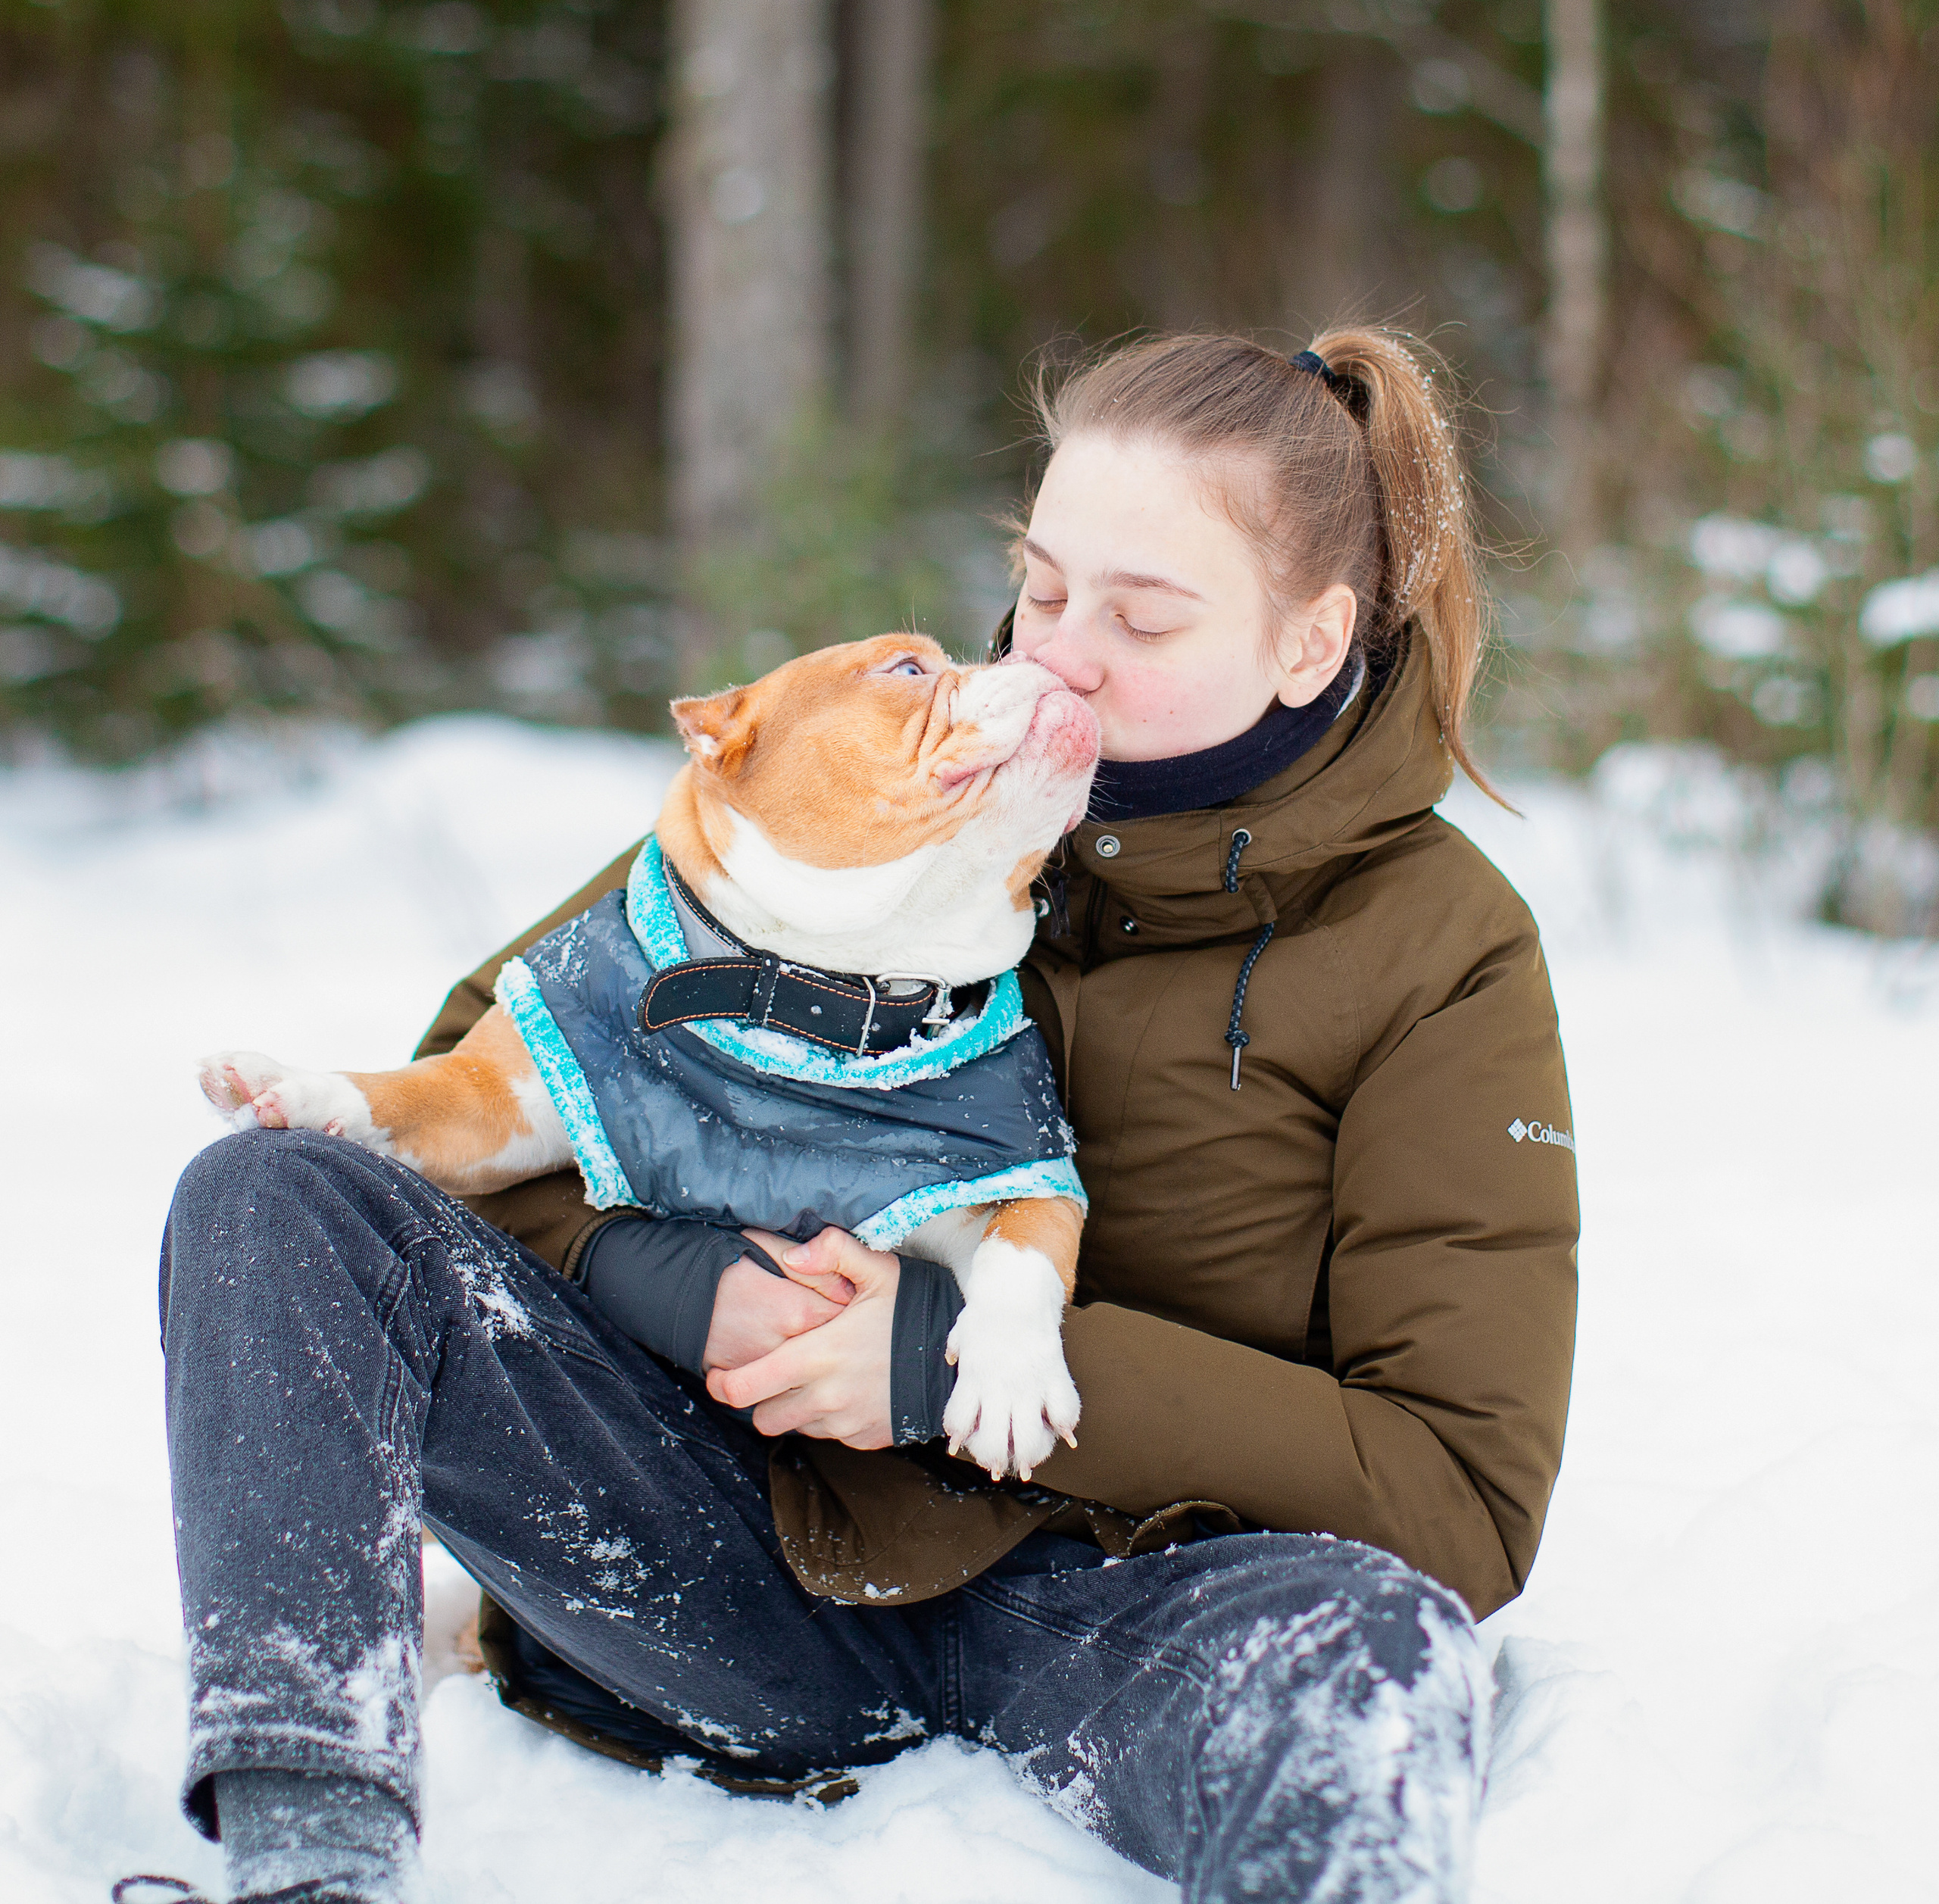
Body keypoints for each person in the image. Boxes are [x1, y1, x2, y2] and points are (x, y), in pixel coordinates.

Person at [152, 329, 1578, 1904]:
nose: (1055, 654)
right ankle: (309, 1859)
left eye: (1139, 614)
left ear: (1307, 644)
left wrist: (938, 1352)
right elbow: (468, 1098)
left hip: (1121, 1614)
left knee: (1374, 1653)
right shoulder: (878, 781)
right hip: (728, 1546)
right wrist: (672, 1286)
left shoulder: (1438, 951)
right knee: (279, 1198)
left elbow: (1455, 1491)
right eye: (1040, 590)